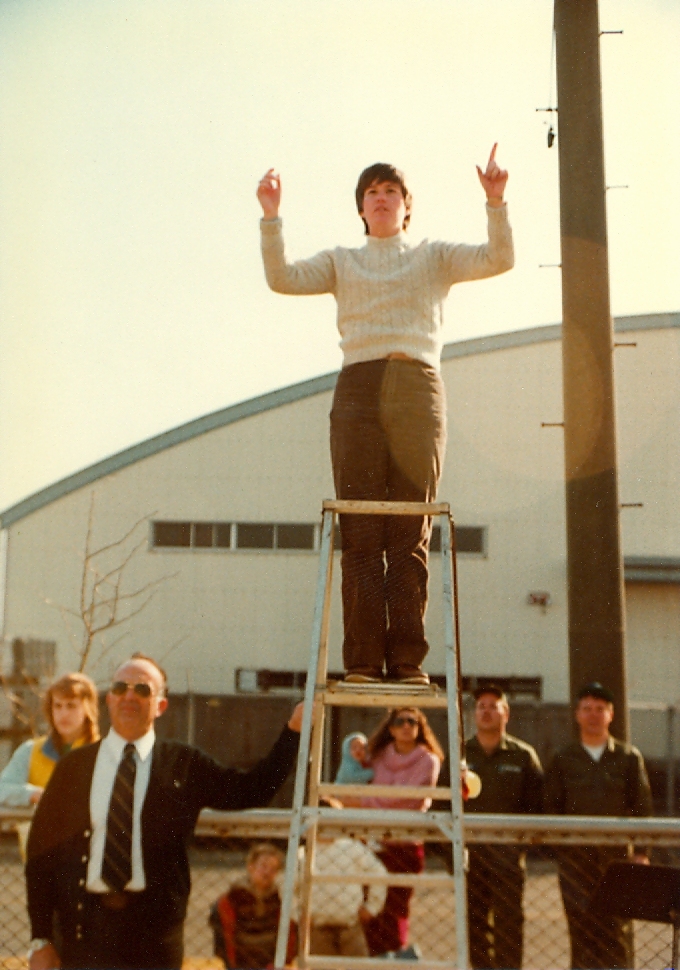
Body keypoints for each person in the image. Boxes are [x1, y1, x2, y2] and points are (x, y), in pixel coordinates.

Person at [257, 151, 514, 685]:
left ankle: (406, 661)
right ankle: (362, 662)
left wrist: (495, 202)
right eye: (371, 191)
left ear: (406, 206)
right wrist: (272, 215)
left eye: (390, 191)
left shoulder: (434, 255)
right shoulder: (340, 260)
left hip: (417, 384)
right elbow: (281, 278)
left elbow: (498, 259)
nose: (381, 197)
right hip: (358, 386)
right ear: (361, 207)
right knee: (361, 529)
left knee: (408, 529)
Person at [25, 653, 304, 970]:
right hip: (84, 933)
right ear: (110, 699)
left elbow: (253, 788)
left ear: (160, 705)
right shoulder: (74, 767)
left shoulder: (184, 764)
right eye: (121, 687)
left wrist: (293, 731)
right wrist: (41, 939)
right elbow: (40, 856)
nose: (129, 696)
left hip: (155, 937)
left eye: (142, 689)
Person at [544, 682, 653, 970]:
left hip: (616, 858)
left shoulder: (629, 758)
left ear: (611, 714)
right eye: (587, 709)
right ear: (577, 715)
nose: (594, 715)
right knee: (580, 929)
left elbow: (643, 808)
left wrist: (641, 852)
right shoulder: (562, 758)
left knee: (617, 931)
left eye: (600, 709)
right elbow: (551, 808)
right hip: (575, 861)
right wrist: (562, 849)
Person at [464, 685, 544, 970]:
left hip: (508, 861)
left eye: (493, 706)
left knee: (510, 926)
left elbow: (538, 807)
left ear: (505, 714)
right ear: (474, 714)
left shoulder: (522, 755)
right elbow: (441, 804)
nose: (486, 711)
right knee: (474, 927)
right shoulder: (461, 753)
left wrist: (517, 847)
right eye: (481, 706)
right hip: (470, 860)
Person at [360, 707, 444, 957]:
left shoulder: (428, 760)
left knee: (396, 909)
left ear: (420, 728)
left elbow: (408, 800)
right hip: (374, 843)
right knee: (372, 908)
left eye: (412, 721)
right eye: (400, 721)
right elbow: (359, 781)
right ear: (391, 728)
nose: (406, 725)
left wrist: (364, 802)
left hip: (405, 844)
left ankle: (396, 958)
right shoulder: (376, 756)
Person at [300, 797, 387, 958]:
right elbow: (289, 887)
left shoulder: (351, 848)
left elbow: (379, 873)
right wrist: (299, 913)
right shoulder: (304, 854)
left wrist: (372, 907)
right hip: (318, 926)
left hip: (350, 924)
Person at [0, 672, 100, 807]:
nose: (63, 714)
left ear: (88, 709)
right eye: (58, 706)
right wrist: (34, 794)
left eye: (71, 706)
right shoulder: (30, 751)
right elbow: (3, 789)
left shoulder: (103, 755)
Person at [210, 842, 296, 969]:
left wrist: (280, 962)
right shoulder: (233, 898)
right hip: (241, 961)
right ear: (250, 867)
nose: (267, 872)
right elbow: (226, 937)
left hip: (269, 961)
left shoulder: (276, 900)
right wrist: (232, 965)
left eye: (273, 869)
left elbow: (288, 933)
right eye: (263, 866)